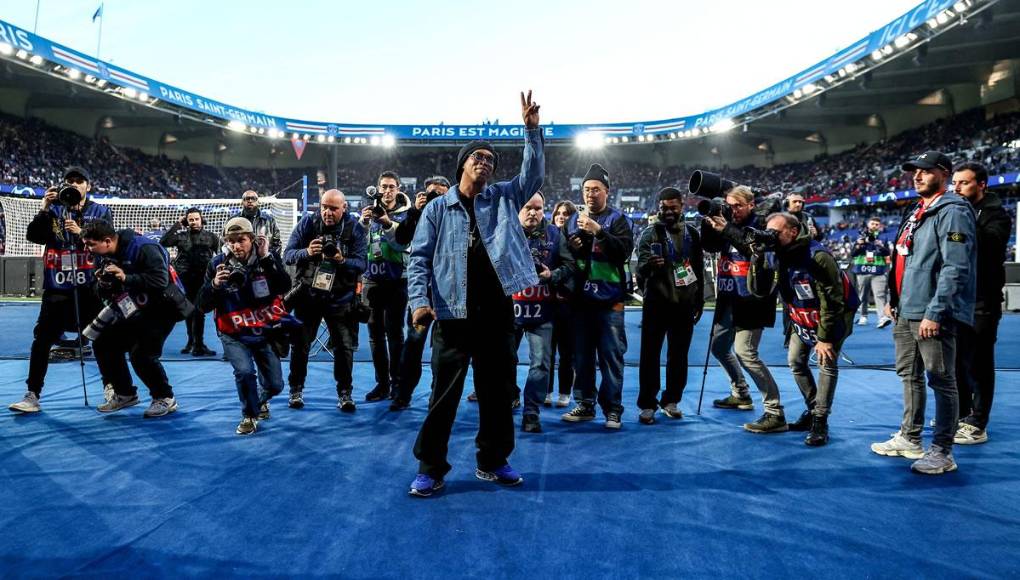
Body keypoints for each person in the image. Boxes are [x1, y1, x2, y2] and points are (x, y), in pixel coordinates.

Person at [406, 91, 543, 497]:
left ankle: (493, 460)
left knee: (498, 393)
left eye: (490, 159)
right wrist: (418, 302)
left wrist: (531, 132)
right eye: (477, 157)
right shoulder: (436, 209)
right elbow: (417, 260)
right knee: (444, 395)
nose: (484, 162)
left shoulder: (502, 196)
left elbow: (532, 177)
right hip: (451, 313)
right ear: (463, 164)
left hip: (497, 312)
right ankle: (431, 467)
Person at [871, 151, 976, 475]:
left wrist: (936, 311)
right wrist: (894, 299)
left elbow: (955, 267)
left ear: (943, 174)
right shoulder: (918, 210)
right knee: (909, 375)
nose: (917, 176)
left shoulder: (953, 211)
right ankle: (910, 437)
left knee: (941, 380)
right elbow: (904, 259)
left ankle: (943, 451)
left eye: (925, 171)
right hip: (907, 309)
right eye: (914, 171)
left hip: (931, 312)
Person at [9, 167, 113, 414]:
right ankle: (32, 394)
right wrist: (45, 207)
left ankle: (112, 387)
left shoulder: (100, 210)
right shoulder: (54, 208)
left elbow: (108, 242)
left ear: (88, 185)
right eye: (70, 181)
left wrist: (82, 232)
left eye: (80, 181)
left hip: (90, 288)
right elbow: (33, 236)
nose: (75, 185)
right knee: (42, 340)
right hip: (57, 287)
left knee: (103, 340)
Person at [752, 213, 858, 446]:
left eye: (776, 233)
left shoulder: (818, 256)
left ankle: (820, 420)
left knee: (826, 364)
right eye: (769, 232)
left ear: (792, 231)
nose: (771, 237)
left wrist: (825, 338)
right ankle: (813, 409)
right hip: (801, 315)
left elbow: (832, 301)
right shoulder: (778, 253)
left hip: (831, 315)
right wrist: (757, 256)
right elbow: (761, 289)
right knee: (796, 362)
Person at [83, 221, 193, 418]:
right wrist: (104, 284)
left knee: (142, 355)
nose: (87, 249)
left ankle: (165, 398)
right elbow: (103, 291)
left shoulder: (144, 247)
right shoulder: (104, 256)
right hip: (135, 308)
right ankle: (125, 393)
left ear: (107, 241)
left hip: (163, 308)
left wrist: (126, 278)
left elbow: (160, 281)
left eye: (91, 244)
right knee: (103, 343)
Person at [701, 185, 786, 433]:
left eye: (738, 205)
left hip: (752, 300)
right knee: (718, 347)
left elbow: (755, 250)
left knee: (745, 352)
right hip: (728, 298)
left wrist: (727, 229)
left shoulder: (762, 224)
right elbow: (711, 247)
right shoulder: (726, 221)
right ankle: (740, 393)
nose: (733, 210)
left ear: (751, 205)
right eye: (730, 205)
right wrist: (710, 224)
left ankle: (774, 412)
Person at [200, 217, 295, 435]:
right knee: (244, 372)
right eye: (231, 241)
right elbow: (202, 305)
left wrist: (267, 258)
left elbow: (284, 285)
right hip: (232, 331)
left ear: (252, 239)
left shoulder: (265, 259)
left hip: (263, 330)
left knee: (275, 386)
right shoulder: (217, 265)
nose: (236, 246)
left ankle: (259, 399)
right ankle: (249, 415)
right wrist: (214, 285)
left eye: (241, 240)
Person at [560, 164, 634, 430]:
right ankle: (585, 404)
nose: (590, 195)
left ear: (607, 192)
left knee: (611, 358)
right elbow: (567, 257)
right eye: (586, 190)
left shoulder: (619, 219)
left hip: (610, 302)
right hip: (581, 303)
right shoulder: (571, 221)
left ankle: (613, 409)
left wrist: (598, 231)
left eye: (596, 189)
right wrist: (574, 247)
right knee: (582, 358)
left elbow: (623, 252)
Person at [283, 189, 366, 411]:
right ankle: (296, 390)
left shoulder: (354, 228)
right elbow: (288, 255)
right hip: (308, 296)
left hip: (340, 298)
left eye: (333, 208)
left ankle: (345, 393)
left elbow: (361, 264)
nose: (327, 212)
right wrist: (307, 253)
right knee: (300, 346)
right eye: (324, 207)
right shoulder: (308, 224)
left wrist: (341, 260)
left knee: (344, 348)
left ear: (344, 208)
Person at [951, 161, 1011, 445]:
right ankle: (961, 415)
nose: (956, 187)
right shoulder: (957, 210)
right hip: (957, 298)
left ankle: (977, 423)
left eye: (963, 182)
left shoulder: (996, 214)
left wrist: (962, 221)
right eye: (955, 182)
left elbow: (989, 244)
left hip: (982, 300)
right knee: (956, 361)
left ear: (981, 185)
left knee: (979, 363)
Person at [635, 187, 704, 425]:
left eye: (673, 207)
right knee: (649, 356)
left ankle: (671, 400)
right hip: (656, 305)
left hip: (684, 305)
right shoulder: (649, 233)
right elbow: (639, 272)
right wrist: (651, 266)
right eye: (664, 207)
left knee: (679, 356)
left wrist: (700, 299)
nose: (668, 211)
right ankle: (647, 404)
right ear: (659, 208)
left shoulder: (692, 234)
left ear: (682, 206)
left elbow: (698, 267)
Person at [514, 191, 576, 433]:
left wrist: (553, 275)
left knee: (540, 365)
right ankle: (509, 397)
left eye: (538, 208)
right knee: (504, 361)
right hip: (510, 312)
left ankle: (531, 411)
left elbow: (569, 265)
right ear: (518, 208)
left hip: (542, 312)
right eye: (528, 207)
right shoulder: (506, 232)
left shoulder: (554, 234)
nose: (533, 212)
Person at [389, 176, 450, 411]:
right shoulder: (419, 214)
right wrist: (415, 210)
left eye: (441, 194)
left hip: (447, 292)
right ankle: (402, 394)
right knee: (413, 345)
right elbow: (401, 238)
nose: (436, 198)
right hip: (422, 292)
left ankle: (438, 394)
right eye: (432, 193)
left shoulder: (454, 214)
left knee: (443, 348)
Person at [360, 171, 413, 402]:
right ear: (378, 188)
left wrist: (387, 223)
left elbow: (405, 245)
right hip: (372, 279)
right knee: (374, 334)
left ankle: (398, 384)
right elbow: (359, 246)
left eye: (392, 186)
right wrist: (362, 224)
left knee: (394, 333)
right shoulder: (370, 212)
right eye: (384, 187)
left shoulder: (408, 215)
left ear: (398, 188)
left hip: (397, 279)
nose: (387, 191)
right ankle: (382, 384)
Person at [160, 208, 220, 356]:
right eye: (190, 220)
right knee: (188, 310)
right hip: (184, 279)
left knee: (198, 310)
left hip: (203, 279)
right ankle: (192, 342)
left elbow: (222, 252)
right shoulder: (180, 236)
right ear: (187, 221)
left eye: (196, 219)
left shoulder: (211, 237)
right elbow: (164, 242)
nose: (194, 222)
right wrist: (177, 224)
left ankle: (198, 344)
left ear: (201, 219)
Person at [547, 200, 578, 407]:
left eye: (566, 213)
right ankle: (547, 390)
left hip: (569, 303)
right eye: (558, 212)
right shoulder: (546, 239)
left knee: (567, 352)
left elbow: (578, 270)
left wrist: (565, 291)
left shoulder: (578, 240)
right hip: (548, 302)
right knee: (547, 351)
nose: (561, 216)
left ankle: (565, 392)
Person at [850, 216, 892, 328]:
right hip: (862, 269)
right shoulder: (859, 236)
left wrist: (880, 246)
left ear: (880, 226)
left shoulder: (883, 237)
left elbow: (887, 253)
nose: (874, 226)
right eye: (872, 223)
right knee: (862, 295)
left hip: (878, 270)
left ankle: (882, 317)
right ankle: (863, 315)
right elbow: (853, 254)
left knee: (880, 294)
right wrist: (859, 244)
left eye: (877, 224)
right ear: (868, 224)